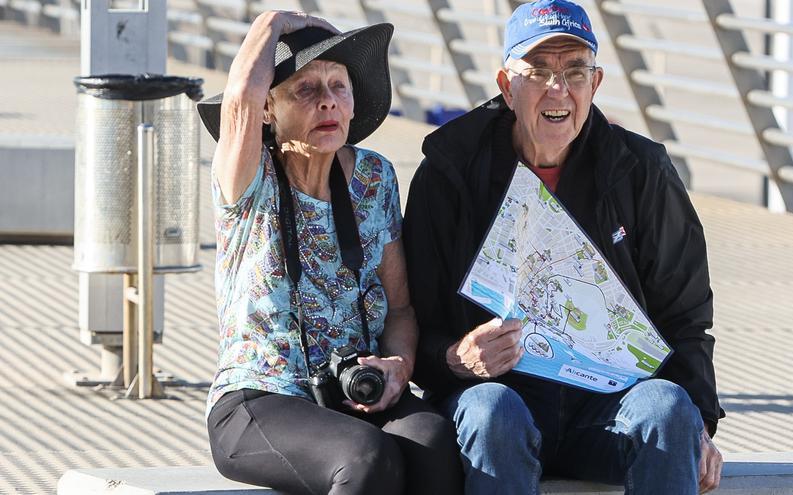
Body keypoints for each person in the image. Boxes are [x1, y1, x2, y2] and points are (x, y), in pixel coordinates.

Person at [403, 0, 724, 493]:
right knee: (491, 412)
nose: (559, 89)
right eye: (539, 71)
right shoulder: (450, 173)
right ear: (507, 86)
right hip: (500, 402)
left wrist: (699, 422)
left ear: (595, 85)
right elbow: (411, 320)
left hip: (608, 407)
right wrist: (454, 357)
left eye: (575, 71)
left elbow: (685, 314)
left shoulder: (640, 170)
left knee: (668, 408)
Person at [197, 11, 462, 494]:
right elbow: (238, 103)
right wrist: (271, 23)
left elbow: (400, 307)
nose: (328, 102)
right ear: (268, 110)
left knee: (434, 441)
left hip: (350, 391)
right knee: (365, 456)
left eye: (339, 87)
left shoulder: (374, 179)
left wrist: (398, 368)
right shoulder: (249, 178)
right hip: (258, 397)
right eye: (306, 90)